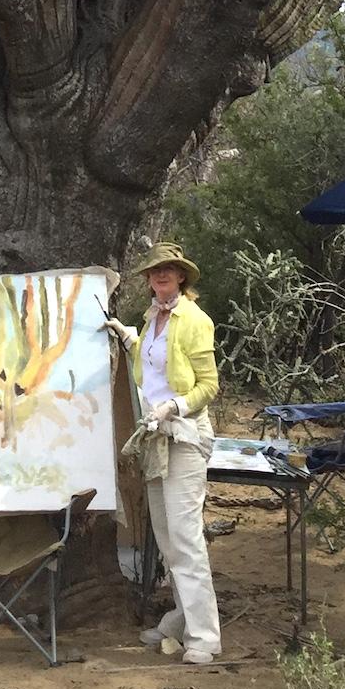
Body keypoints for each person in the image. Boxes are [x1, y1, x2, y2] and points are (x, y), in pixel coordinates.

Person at [103, 240, 221, 666]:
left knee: (187, 538)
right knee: (168, 539)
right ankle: (179, 618)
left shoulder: (194, 320)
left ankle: (205, 635)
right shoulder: (152, 318)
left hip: (185, 436)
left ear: (181, 275)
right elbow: (153, 365)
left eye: (168, 271)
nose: (161, 277)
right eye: (155, 272)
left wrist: (176, 406)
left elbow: (208, 386)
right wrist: (129, 337)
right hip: (155, 437)